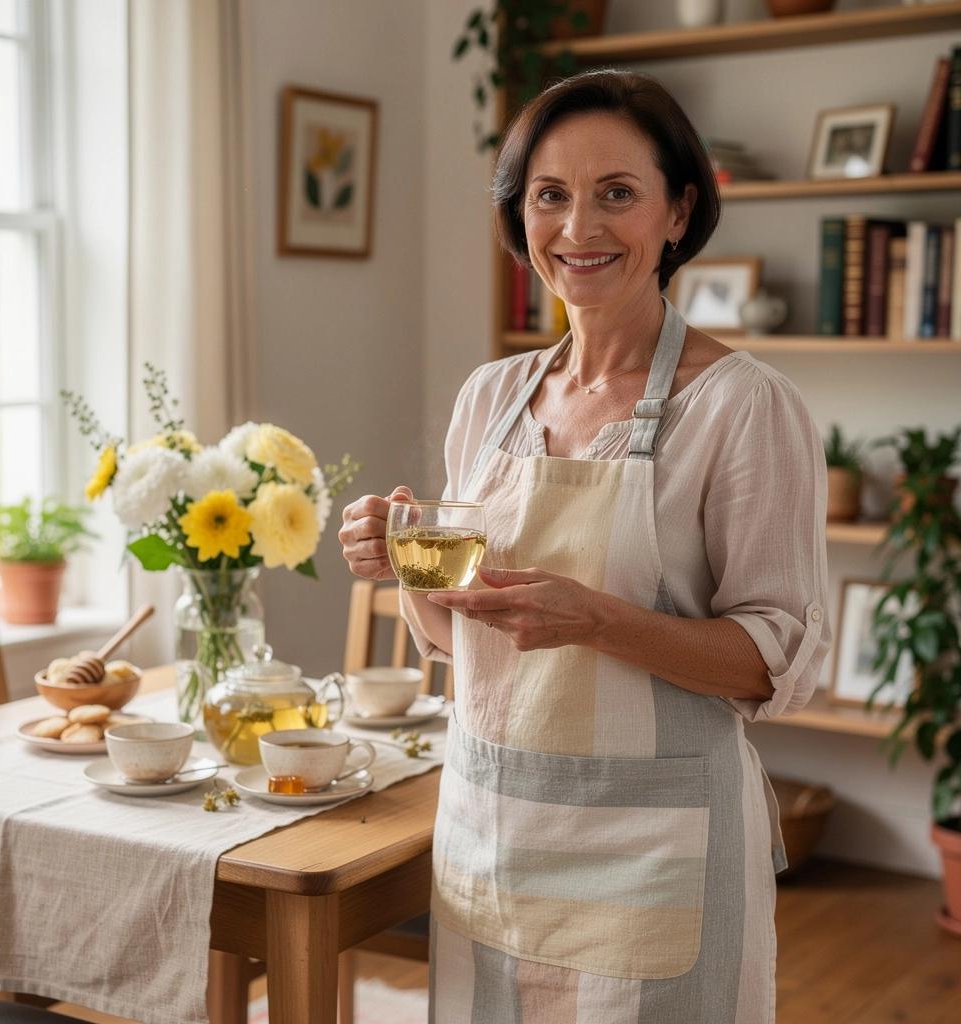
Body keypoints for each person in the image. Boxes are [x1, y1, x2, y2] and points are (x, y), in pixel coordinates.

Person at [340, 69, 830, 1022]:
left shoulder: (742, 405)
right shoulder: (491, 397)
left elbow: (775, 662)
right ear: (518, 214)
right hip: (492, 835)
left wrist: (597, 620)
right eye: (550, 195)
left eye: (617, 193)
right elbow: (455, 642)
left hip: (657, 857)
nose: (578, 227)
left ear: (678, 212)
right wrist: (402, 563)